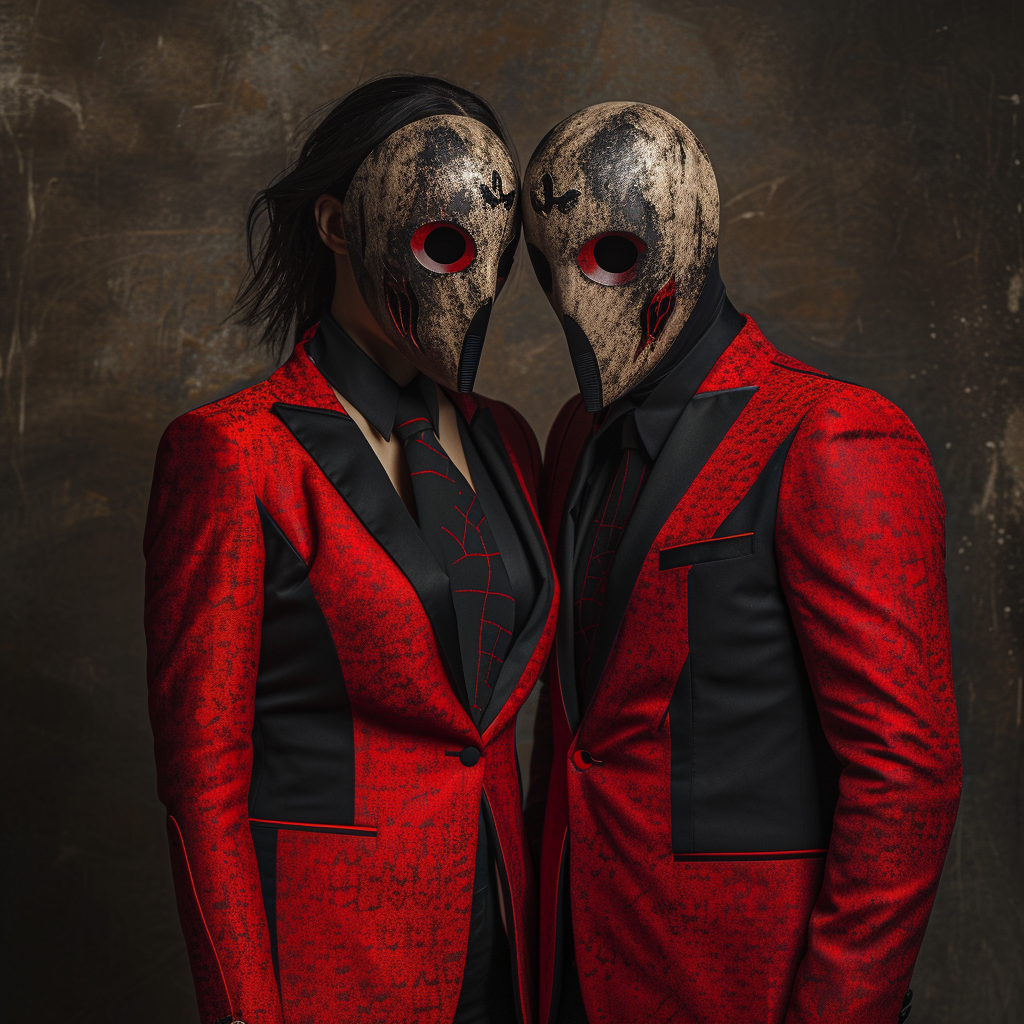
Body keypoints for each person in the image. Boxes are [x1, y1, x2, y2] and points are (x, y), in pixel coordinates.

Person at [522, 102, 962, 1024]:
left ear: (695, 237)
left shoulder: (833, 434)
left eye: (608, 254)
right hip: (567, 965)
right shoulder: (571, 437)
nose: (573, 300)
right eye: (547, 264)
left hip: (743, 983)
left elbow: (906, 773)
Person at [144, 75, 557, 1024]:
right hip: (334, 959)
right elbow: (201, 785)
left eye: (486, 246)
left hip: (505, 938)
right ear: (335, 223)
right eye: (438, 238)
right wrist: (245, 1010)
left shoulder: (509, 441)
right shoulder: (232, 453)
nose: (467, 276)